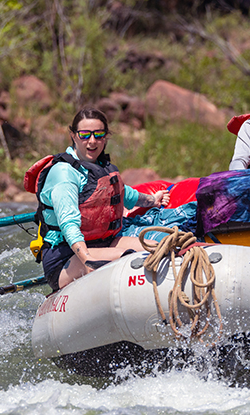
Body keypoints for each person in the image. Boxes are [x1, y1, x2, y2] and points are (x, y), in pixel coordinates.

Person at [34, 108, 169, 290]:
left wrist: (153, 200)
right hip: (67, 255)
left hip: (105, 241)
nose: (92, 141)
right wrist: (87, 258)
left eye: (99, 134)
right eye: (84, 135)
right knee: (127, 257)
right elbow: (68, 223)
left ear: (105, 137)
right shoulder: (64, 174)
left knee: (161, 248)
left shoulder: (100, 167)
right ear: (73, 136)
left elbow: (124, 194)